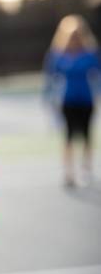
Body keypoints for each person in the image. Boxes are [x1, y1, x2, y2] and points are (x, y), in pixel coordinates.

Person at [44, 14, 100, 186]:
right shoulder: (58, 55)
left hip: (86, 100)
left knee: (86, 136)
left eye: (77, 35)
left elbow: (97, 75)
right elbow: (50, 78)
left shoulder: (90, 54)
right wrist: (49, 99)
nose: (74, 38)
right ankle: (68, 172)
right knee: (68, 136)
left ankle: (86, 169)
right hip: (68, 101)